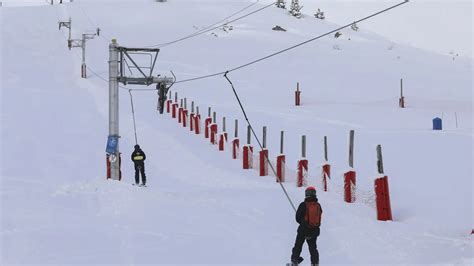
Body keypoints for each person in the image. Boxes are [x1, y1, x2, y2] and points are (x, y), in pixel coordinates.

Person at [290, 186, 322, 266]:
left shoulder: (303, 205)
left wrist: (303, 222)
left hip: (303, 231)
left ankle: (294, 261)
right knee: (313, 248)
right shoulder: (318, 205)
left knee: (298, 245)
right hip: (314, 231)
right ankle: (315, 263)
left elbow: (297, 218)